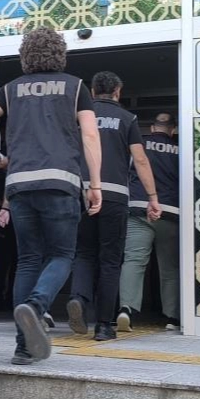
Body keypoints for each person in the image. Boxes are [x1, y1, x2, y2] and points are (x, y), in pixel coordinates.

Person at [0, 27, 102, 365]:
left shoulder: (10, 89)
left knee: (29, 259)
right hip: (61, 181)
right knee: (62, 255)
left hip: (19, 183)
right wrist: (95, 185)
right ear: (60, 53)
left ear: (25, 55)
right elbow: (90, 135)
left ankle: (23, 347)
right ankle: (37, 305)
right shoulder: (76, 87)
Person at [67, 72, 160, 341]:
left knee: (83, 253)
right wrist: (152, 197)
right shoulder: (127, 118)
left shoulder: (78, 116)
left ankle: (78, 298)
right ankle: (103, 326)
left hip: (82, 191)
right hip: (115, 195)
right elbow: (140, 159)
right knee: (110, 261)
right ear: (118, 91)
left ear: (92, 92)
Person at [118, 113, 179, 332]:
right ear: (173, 130)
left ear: (152, 128)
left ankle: (126, 309)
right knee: (170, 267)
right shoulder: (180, 149)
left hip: (139, 208)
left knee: (133, 260)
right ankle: (173, 317)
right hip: (170, 212)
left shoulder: (139, 144)